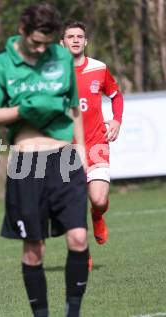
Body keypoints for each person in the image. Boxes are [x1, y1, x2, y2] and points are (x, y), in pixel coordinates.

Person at [0, 4, 89, 317]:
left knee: (79, 238)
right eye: (36, 43)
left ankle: (73, 313)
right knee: (33, 249)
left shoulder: (62, 57)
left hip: (64, 157)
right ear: (22, 31)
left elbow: (74, 108)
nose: (42, 49)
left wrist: (81, 149)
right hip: (27, 162)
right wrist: (24, 109)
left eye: (47, 43)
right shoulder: (0, 64)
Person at [61, 21, 124, 245]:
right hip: (67, 149)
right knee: (73, 206)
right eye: (70, 36)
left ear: (86, 41)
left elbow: (116, 95)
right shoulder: (54, 75)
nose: (76, 39)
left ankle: (97, 215)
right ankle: (82, 253)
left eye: (80, 36)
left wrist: (116, 120)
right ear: (62, 43)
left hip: (96, 143)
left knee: (97, 200)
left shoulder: (99, 68)